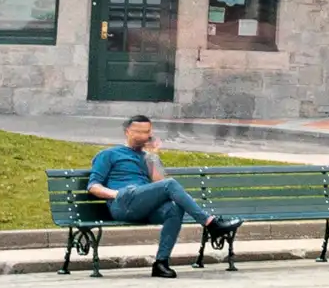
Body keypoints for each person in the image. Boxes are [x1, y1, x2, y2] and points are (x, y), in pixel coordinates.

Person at [85, 115, 233, 276]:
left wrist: (152, 156)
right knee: (170, 184)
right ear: (127, 132)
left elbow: (160, 185)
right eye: (138, 132)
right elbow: (93, 186)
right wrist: (117, 194)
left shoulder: (147, 157)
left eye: (147, 132)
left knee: (174, 209)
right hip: (122, 203)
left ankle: (161, 263)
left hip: (143, 205)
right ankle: (210, 223)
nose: (143, 136)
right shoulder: (109, 154)